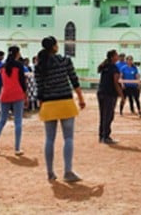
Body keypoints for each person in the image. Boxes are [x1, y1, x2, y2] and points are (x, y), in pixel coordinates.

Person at [35, 36, 86, 183]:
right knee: (68, 138)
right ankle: (68, 171)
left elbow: (39, 88)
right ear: (54, 47)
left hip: (49, 104)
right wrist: (81, 99)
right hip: (65, 102)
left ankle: (50, 172)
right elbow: (74, 80)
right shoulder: (65, 61)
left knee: (49, 139)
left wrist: (41, 104)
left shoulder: (40, 65)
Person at [0, 45, 27, 155]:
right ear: (17, 53)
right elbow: (22, 81)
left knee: (2, 121)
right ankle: (17, 149)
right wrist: (26, 95)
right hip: (17, 94)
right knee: (18, 121)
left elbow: (2, 82)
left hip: (5, 94)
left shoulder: (2, 66)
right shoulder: (19, 66)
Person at [97, 50, 124, 144]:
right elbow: (116, 83)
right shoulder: (113, 67)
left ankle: (101, 136)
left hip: (101, 92)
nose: (118, 56)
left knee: (103, 115)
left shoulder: (105, 66)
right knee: (108, 116)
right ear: (112, 57)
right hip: (109, 94)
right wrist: (122, 95)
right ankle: (106, 137)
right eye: (116, 55)